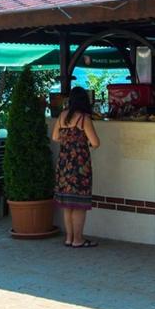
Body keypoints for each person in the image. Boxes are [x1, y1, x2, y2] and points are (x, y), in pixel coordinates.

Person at [51, 86, 101, 248]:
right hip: (79, 165)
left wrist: (68, 144)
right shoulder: (84, 119)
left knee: (67, 204)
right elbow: (95, 142)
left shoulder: (62, 116)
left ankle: (69, 238)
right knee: (79, 205)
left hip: (64, 164)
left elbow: (55, 137)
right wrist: (81, 145)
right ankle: (78, 239)